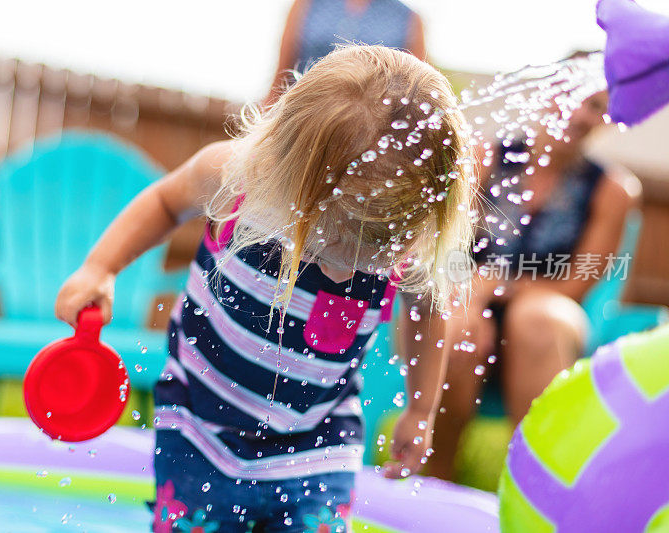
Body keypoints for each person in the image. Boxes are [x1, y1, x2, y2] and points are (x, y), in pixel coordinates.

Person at [55, 45, 475, 531]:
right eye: (332, 248)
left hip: (318, 437)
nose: (346, 274)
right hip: (200, 423)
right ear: (290, 180)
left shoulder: (409, 234)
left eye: (374, 258)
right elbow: (166, 202)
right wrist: (100, 268)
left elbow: (428, 310)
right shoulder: (237, 180)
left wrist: (421, 409)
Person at [426, 89, 641, 481]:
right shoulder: (484, 158)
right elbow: (446, 248)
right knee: (457, 326)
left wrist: (503, 287)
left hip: (547, 311)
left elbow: (575, 286)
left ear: (606, 120)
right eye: (571, 96)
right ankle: (433, 473)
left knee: (536, 320)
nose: (579, 113)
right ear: (546, 93)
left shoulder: (612, 189)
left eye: (596, 108)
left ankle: (536, 483)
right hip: (468, 297)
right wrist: (472, 296)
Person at [267, 0, 426, 104]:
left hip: (372, 127)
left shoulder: (408, 17)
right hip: (303, 114)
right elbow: (280, 79)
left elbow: (415, 89)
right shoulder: (307, 4)